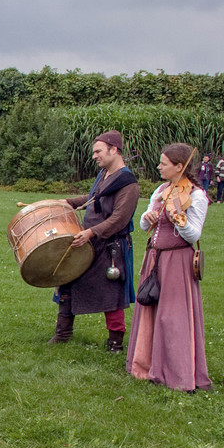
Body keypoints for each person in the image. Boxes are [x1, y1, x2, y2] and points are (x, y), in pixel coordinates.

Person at [127, 143, 211, 392]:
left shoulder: (196, 195)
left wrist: (179, 219)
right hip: (154, 258)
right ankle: (146, 364)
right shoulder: (161, 190)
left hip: (178, 261)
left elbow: (194, 233)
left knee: (172, 316)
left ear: (179, 166)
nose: (159, 167)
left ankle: (177, 372)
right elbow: (144, 226)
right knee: (150, 310)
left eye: (164, 163)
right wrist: (147, 218)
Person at [47, 130, 140, 352]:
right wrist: (66, 202)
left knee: (112, 296)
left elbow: (119, 219)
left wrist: (91, 233)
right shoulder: (104, 174)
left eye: (98, 151)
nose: (94, 156)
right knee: (68, 281)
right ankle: (63, 334)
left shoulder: (128, 184)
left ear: (114, 150)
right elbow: (93, 199)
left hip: (111, 246)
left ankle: (115, 343)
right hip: (89, 240)